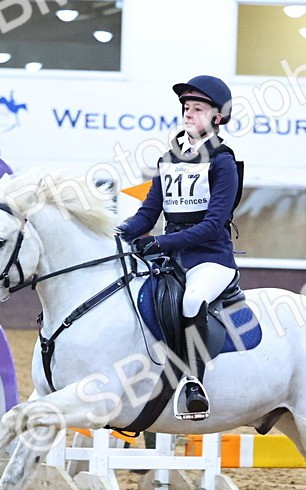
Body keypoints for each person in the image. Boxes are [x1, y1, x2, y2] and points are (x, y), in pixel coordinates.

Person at [118, 75, 242, 421]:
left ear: (217, 117)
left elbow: (212, 225)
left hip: (210, 258)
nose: (189, 114)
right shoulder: (168, 158)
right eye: (187, 108)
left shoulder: (223, 162)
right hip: (172, 256)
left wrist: (160, 242)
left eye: (198, 109)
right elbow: (147, 214)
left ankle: (192, 383)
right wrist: (118, 233)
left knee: (191, 300)